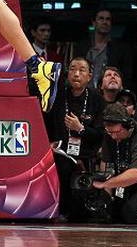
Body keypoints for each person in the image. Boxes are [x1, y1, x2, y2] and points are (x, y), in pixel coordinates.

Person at [45, 57, 103, 219]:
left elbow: (100, 134)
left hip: (85, 154)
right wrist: (49, 142)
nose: (76, 74)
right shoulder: (56, 95)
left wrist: (80, 128)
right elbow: (45, 123)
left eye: (81, 70)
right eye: (72, 69)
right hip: (59, 153)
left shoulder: (96, 98)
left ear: (89, 76)